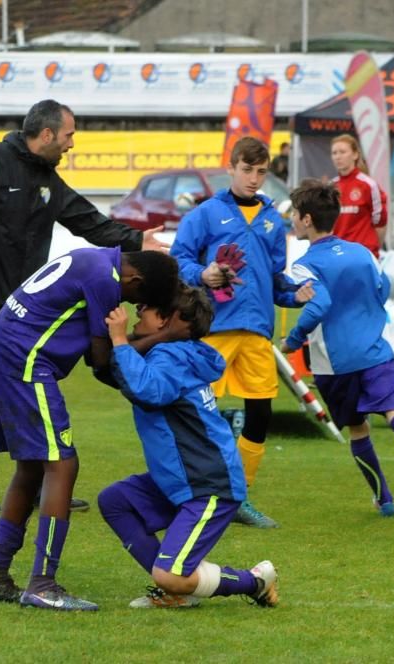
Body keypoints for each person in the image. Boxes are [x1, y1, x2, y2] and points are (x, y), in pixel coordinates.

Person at [0, 99, 168, 513]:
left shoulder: (49, 178)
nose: (72, 144)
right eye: (68, 135)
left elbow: (88, 221)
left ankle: (43, 481)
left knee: (34, 392)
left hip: (30, 311)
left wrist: (137, 242)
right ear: (46, 134)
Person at [0, 247, 180, 611]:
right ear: (136, 281)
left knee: (34, 466)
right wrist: (165, 337)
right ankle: (42, 584)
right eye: (137, 300)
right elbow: (100, 360)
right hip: (24, 360)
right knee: (62, 465)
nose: (130, 308)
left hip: (0, 350)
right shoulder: (106, 280)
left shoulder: (95, 258)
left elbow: (91, 355)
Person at [97, 286, 279, 610]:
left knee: (168, 574)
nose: (138, 308)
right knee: (115, 501)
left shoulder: (170, 357)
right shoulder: (179, 352)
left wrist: (120, 341)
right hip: (181, 478)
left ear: (169, 320)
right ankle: (178, 584)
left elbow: (146, 389)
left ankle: (254, 581)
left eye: (148, 307)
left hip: (207, 484)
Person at [171, 136, 313, 529]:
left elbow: (272, 278)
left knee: (260, 414)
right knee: (202, 414)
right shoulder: (205, 214)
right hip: (212, 328)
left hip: (256, 331)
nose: (254, 179)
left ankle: (238, 498)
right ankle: (197, 494)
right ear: (231, 168)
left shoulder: (272, 220)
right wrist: (202, 273)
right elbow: (178, 259)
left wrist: (295, 294)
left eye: (261, 172)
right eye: (247, 170)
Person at [279, 179, 394, 516]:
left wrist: (293, 340)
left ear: (307, 219)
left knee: (358, 429)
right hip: (374, 351)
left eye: (295, 213)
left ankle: (385, 499)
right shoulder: (363, 252)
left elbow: (318, 305)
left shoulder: (305, 264)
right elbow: (382, 290)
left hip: (335, 364)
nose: (292, 219)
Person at [329, 133, 388, 257]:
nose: (338, 157)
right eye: (334, 153)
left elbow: (380, 223)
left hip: (363, 254)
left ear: (355, 155)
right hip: (339, 254)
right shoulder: (331, 186)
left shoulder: (368, 185)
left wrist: (373, 251)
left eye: (342, 152)